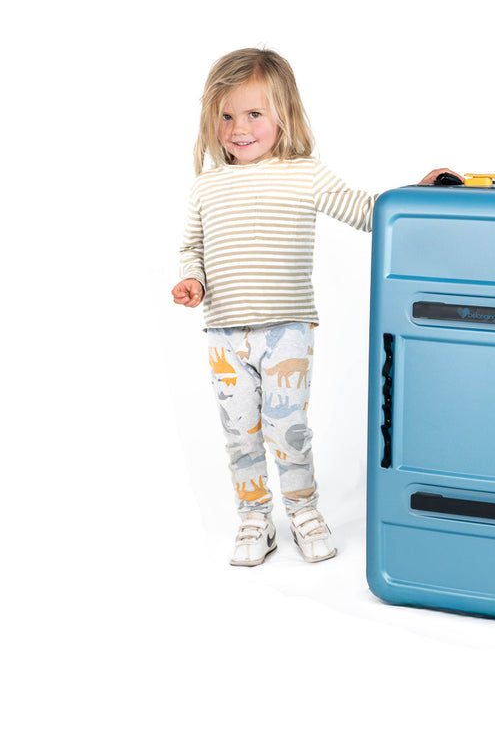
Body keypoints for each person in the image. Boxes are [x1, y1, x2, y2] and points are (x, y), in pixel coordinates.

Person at [173, 48, 455, 566]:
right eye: (226, 115)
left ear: (284, 115)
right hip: (224, 335)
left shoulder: (305, 174)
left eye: (253, 113)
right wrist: (193, 278)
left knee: (288, 431)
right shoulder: (206, 186)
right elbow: (193, 247)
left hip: (287, 330)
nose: (238, 128)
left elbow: (367, 211)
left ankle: (303, 510)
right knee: (240, 434)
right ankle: (254, 518)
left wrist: (416, 195)